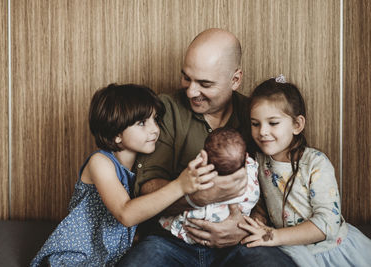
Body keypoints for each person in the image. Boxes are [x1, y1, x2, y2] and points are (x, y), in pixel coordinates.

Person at [118, 29, 296, 266]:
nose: (191, 91)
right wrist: (196, 197)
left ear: (235, 79)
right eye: (186, 78)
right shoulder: (165, 110)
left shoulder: (257, 116)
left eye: (205, 84)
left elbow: (275, 185)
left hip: (239, 241)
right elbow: (147, 188)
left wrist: (245, 228)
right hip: (172, 240)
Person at [30, 84, 215, 267]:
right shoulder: (101, 163)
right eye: (142, 123)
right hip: (76, 258)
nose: (155, 129)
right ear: (117, 134)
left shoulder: (142, 169)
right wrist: (180, 186)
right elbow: (125, 214)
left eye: (155, 119)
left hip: (108, 260)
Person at [240, 75, 371, 266]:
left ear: (297, 125)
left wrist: (273, 235)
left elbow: (328, 224)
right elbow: (261, 200)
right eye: (255, 123)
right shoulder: (258, 161)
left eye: (273, 123)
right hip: (289, 249)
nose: (262, 131)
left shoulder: (315, 163)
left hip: (330, 252)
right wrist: (258, 220)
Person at [159, 127, 260, 244]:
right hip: (232, 222)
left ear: (204, 156)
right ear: (246, 157)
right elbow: (253, 198)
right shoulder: (251, 168)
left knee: (192, 218)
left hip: (196, 234)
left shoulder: (199, 173)